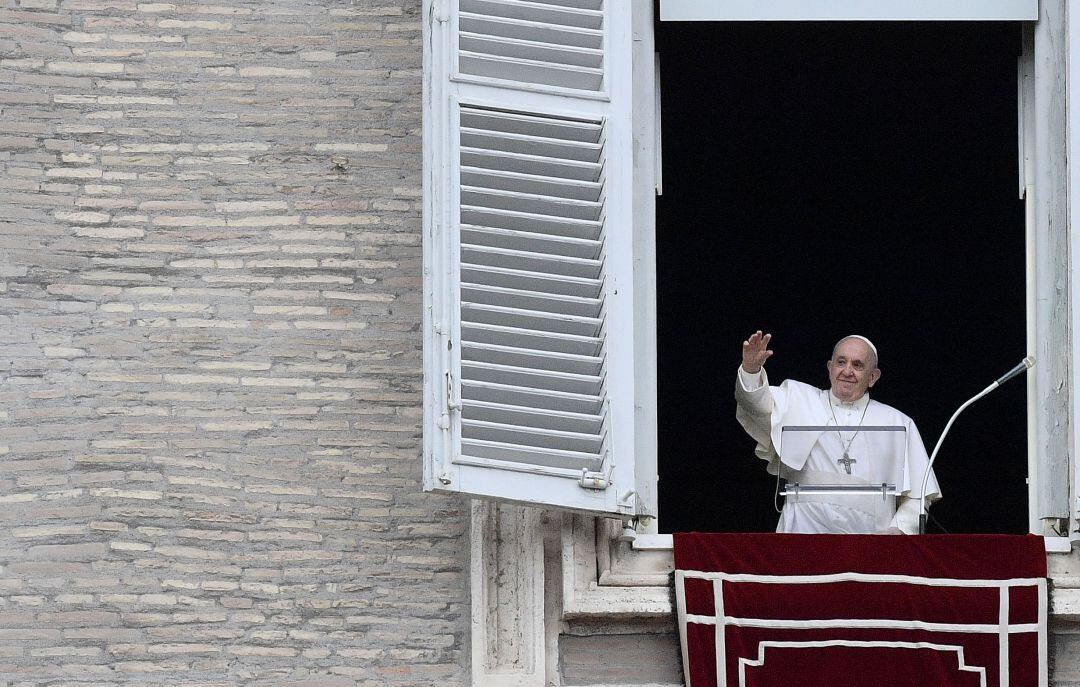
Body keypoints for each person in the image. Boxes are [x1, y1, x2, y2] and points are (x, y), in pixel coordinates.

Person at [736, 331, 940, 534]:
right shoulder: (799, 398)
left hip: (869, 548)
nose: (847, 371)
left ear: (872, 377)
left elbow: (919, 495)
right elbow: (756, 407)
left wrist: (898, 530)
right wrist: (751, 370)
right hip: (801, 539)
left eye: (857, 365)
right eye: (841, 362)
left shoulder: (898, 422)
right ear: (830, 368)